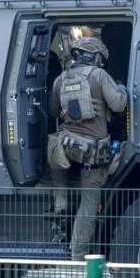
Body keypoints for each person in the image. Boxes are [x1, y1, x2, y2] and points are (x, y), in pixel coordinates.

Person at [47, 35, 127, 261]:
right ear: (97, 58)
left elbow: (53, 110)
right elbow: (119, 104)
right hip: (92, 152)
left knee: (56, 150)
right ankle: (78, 253)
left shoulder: (60, 80)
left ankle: (60, 200)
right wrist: (121, 86)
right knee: (89, 201)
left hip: (65, 148)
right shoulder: (100, 76)